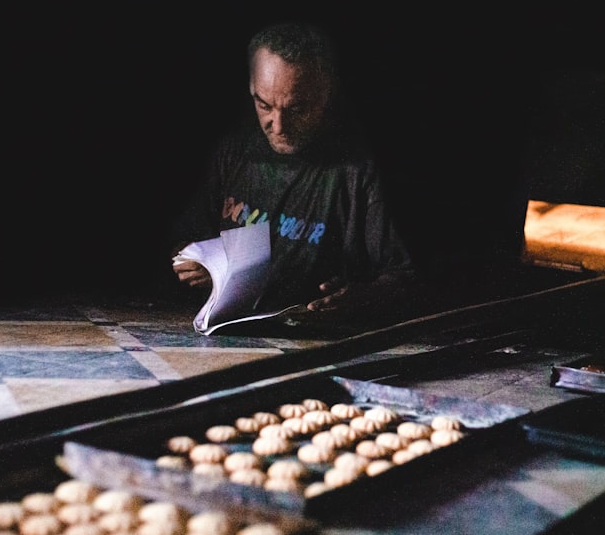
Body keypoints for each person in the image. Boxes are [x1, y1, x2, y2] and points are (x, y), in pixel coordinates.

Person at [168, 21, 418, 327]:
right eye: (264, 105)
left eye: (298, 109)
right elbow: (186, 242)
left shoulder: (357, 170)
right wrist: (196, 265)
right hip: (230, 331)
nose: (279, 125)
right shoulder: (235, 152)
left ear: (327, 93)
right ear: (251, 86)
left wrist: (362, 298)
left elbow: (406, 281)